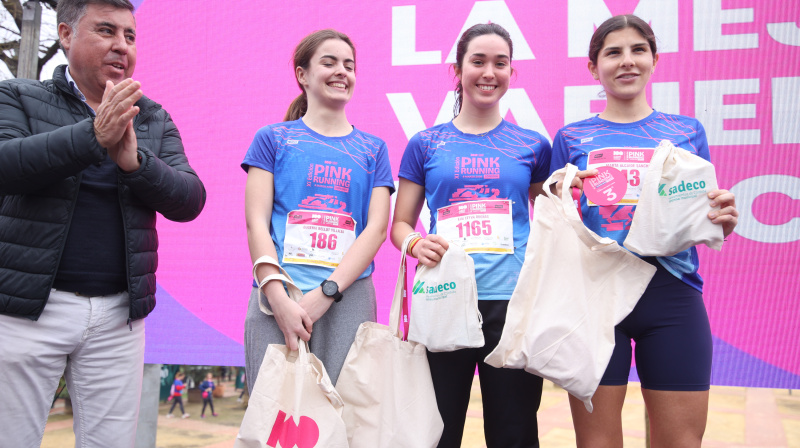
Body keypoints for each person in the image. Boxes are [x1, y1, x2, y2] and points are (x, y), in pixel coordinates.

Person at [0, 0, 206, 445]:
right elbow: (6, 165)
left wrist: (136, 164)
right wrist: (93, 137)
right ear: (67, 35)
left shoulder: (151, 117)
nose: (121, 46)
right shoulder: (18, 96)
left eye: (130, 37)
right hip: (25, 311)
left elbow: (190, 199)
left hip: (118, 318)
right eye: (106, 31)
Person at [549, 14, 739, 448]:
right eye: (613, 52)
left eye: (638, 50)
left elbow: (702, 219)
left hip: (672, 297)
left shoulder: (687, 131)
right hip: (595, 299)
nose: (627, 61)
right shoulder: (571, 137)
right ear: (593, 67)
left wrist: (723, 223)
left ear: (655, 59)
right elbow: (554, 222)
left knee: (681, 443)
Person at [391, 23, 551, 448]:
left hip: (512, 306)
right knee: (438, 431)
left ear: (511, 72)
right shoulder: (426, 143)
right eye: (478, 61)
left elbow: (554, 217)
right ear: (457, 69)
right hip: (444, 300)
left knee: (514, 431)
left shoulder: (532, 145)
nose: (488, 72)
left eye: (500, 63)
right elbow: (400, 225)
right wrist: (414, 243)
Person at [242, 29, 394, 390]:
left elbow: (375, 230)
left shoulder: (374, 149)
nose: (342, 71)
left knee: (347, 423)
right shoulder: (272, 139)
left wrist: (328, 292)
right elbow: (256, 224)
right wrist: (277, 298)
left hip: (349, 298)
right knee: (274, 421)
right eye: (329, 62)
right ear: (302, 75)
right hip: (278, 296)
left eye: (349, 65)